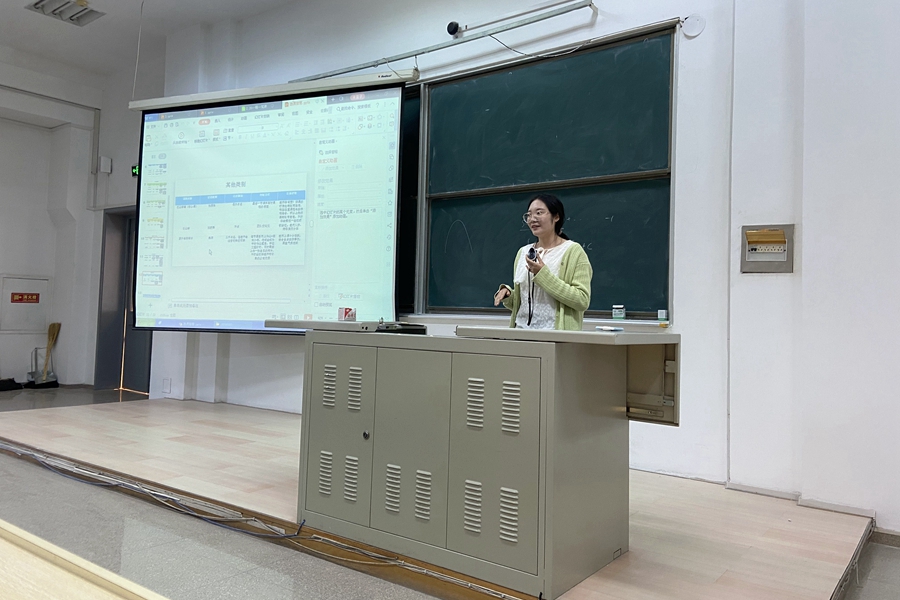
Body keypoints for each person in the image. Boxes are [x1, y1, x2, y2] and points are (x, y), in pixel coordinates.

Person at [493, 194, 592, 330]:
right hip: (521, 333)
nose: (532, 219)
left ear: (556, 217)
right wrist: (509, 295)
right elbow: (525, 303)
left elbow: (582, 301)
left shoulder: (573, 251)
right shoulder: (523, 252)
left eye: (539, 213)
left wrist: (543, 275)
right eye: (529, 215)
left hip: (556, 336)